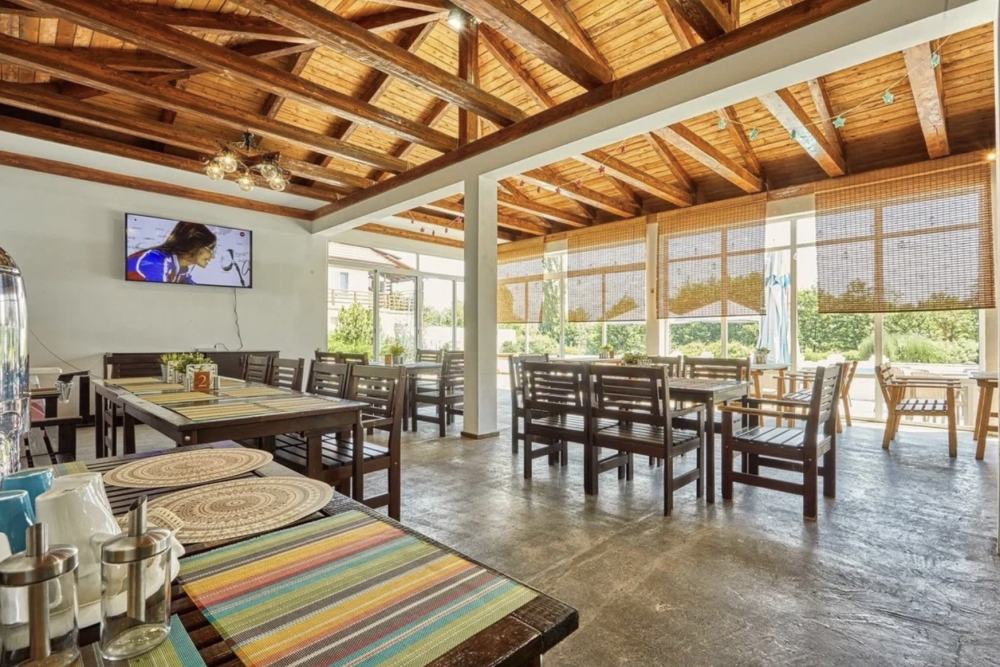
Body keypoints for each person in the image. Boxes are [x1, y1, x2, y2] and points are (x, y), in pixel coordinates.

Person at [127, 222, 217, 284]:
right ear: (193, 246)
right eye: (210, 250)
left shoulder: (180, 269)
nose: (213, 256)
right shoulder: (155, 261)